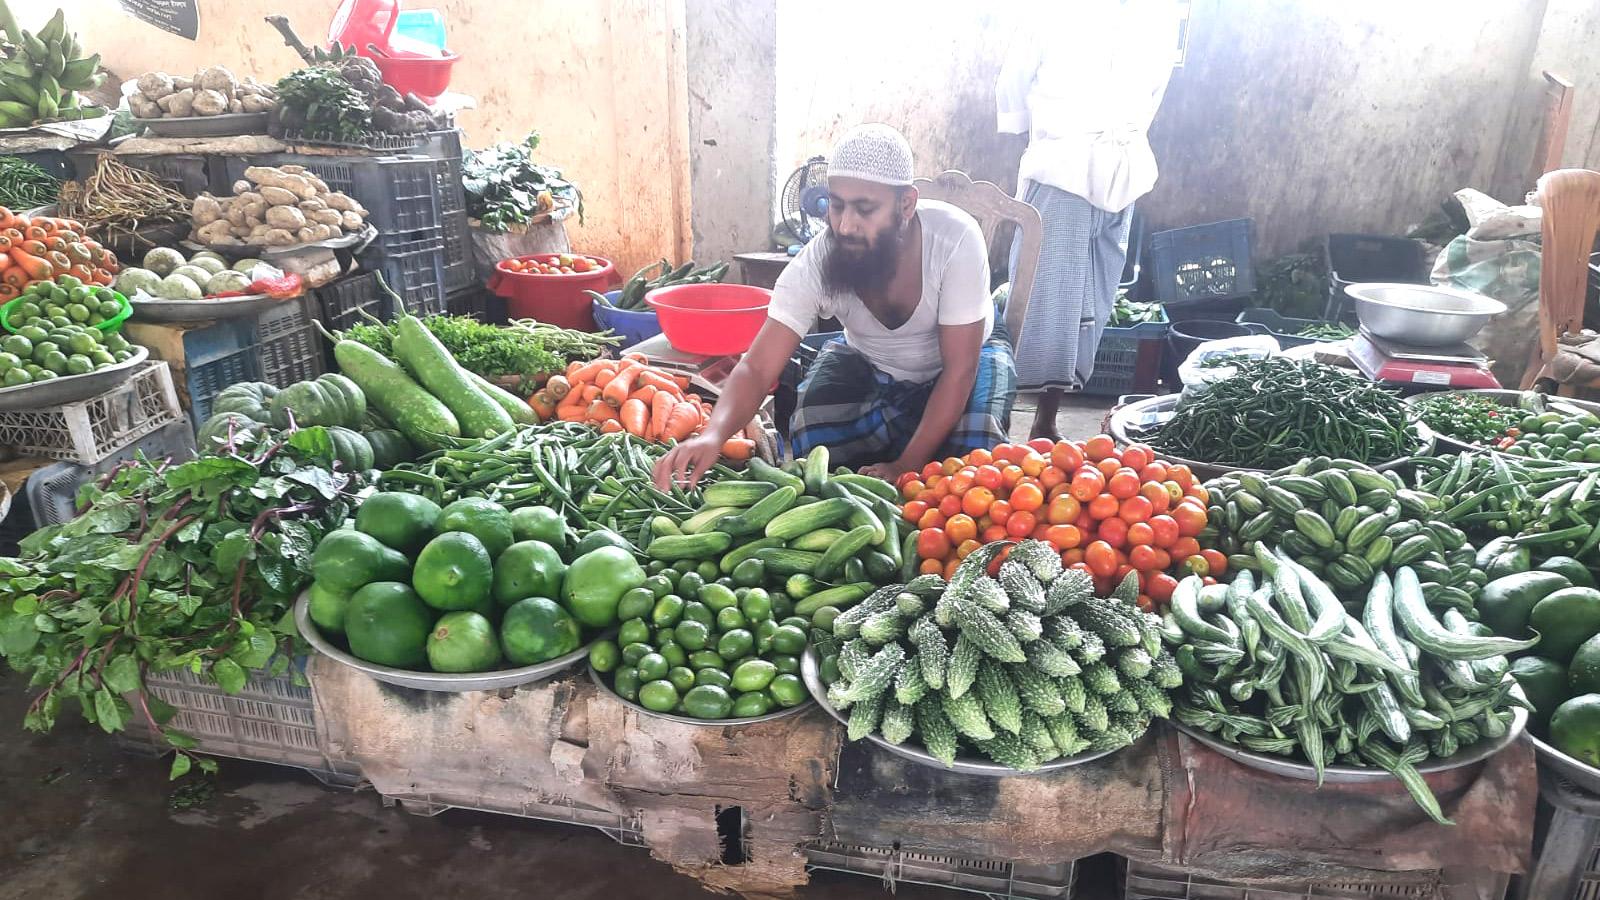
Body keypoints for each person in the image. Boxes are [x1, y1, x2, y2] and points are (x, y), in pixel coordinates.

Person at [654, 123, 1016, 489]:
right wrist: (714, 434)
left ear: (906, 203)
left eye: (864, 209)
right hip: (871, 359)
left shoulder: (955, 239)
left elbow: (960, 369)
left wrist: (906, 465)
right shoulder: (817, 262)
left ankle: (915, 454)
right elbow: (758, 367)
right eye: (837, 206)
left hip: (966, 358)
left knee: (977, 463)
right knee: (811, 426)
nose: (845, 226)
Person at [996, 1, 1178, 439]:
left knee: (1091, 301)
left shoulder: (1158, 17)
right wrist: (1040, 138)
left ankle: (1046, 420)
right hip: (1061, 170)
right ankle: (999, 420)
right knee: (1041, 301)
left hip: (1123, 172)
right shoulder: (1049, 12)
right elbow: (1014, 85)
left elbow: (1156, 89)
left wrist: (1126, 138)